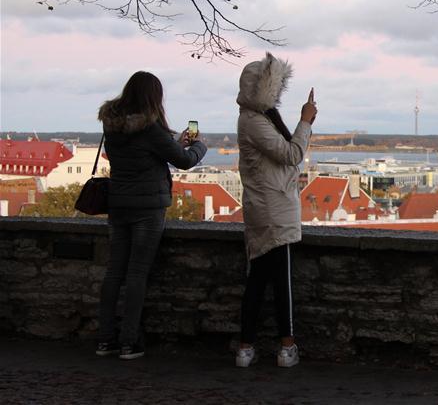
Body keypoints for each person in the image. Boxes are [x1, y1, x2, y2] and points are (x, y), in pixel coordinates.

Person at [95, 71, 207, 360]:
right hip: (147, 209)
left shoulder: (112, 125)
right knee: (136, 274)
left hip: (118, 204)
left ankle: (105, 339)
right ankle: (129, 342)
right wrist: (198, 145)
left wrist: (173, 143)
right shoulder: (151, 129)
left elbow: (142, 153)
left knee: (114, 272)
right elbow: (183, 161)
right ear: (153, 97)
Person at [234, 52, 317, 368]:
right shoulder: (255, 122)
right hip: (274, 211)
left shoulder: (252, 119)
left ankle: (246, 347)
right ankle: (286, 346)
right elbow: (292, 153)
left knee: (257, 279)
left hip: (264, 208)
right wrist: (305, 120)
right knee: (280, 281)